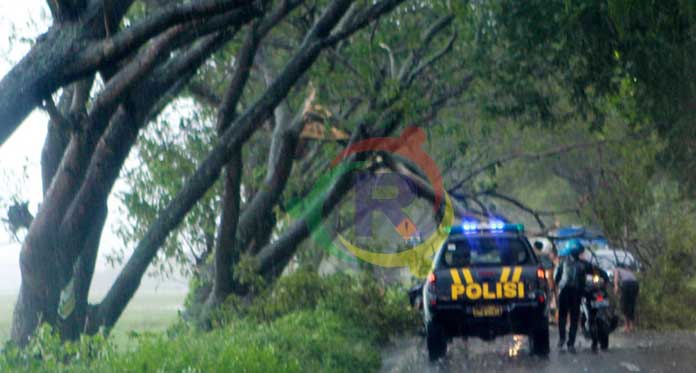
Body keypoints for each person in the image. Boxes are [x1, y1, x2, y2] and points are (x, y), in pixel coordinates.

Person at [554, 239, 597, 353]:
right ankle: (569, 342)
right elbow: (595, 271)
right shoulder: (583, 264)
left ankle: (564, 339)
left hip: (566, 292)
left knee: (565, 317)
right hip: (575, 293)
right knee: (572, 317)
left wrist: (558, 287)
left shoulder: (563, 263)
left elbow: (557, 279)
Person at [613, 263, 639, 332]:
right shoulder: (627, 270)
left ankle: (626, 326)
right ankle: (632, 326)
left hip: (626, 284)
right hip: (635, 284)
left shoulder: (617, 269)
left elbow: (616, 279)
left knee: (624, 305)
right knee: (631, 305)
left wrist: (616, 287)